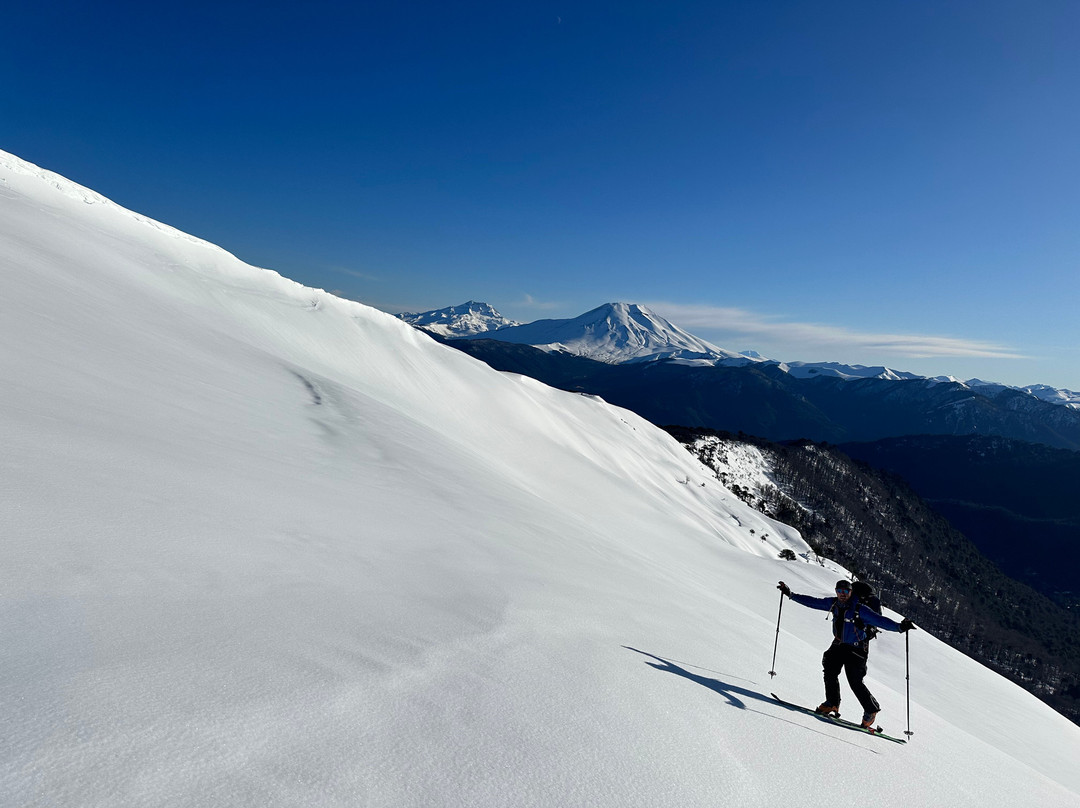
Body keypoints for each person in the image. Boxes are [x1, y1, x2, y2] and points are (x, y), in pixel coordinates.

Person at [777, 578, 915, 728]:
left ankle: (871, 710)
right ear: (836, 592)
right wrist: (791, 594)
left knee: (854, 681)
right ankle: (832, 703)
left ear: (851, 592)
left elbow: (880, 621)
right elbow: (813, 602)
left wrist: (900, 627)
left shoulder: (860, 609)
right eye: (839, 591)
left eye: (846, 591)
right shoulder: (833, 603)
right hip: (839, 644)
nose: (842, 594)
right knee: (829, 668)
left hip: (857, 648)